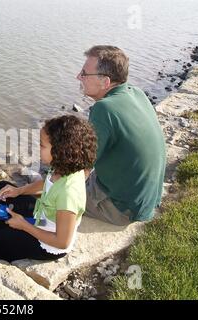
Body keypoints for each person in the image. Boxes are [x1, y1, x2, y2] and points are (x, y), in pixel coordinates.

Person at [0, 115, 97, 262]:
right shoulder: (62, 167)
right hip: (41, 216)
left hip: (48, 244)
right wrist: (19, 191)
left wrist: (24, 225)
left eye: (42, 145)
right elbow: (47, 183)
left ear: (61, 150)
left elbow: (62, 242)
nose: (38, 149)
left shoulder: (69, 193)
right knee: (2, 189)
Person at [77, 45, 166, 226]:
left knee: (54, 198)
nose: (78, 77)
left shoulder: (104, 109)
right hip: (146, 199)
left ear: (105, 82)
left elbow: (81, 168)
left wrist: (46, 187)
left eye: (84, 73)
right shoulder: (136, 93)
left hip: (122, 209)